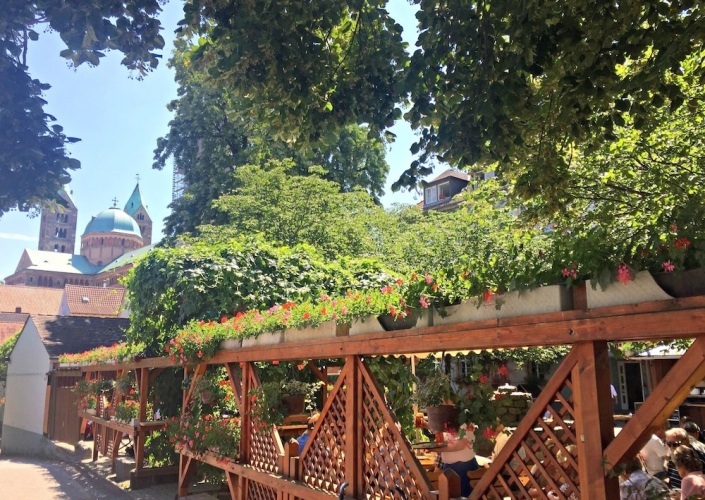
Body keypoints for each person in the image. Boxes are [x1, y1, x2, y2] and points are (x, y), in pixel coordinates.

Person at [433, 422, 479, 497]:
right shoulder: (446, 421)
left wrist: (437, 449)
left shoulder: (464, 420)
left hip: (464, 469)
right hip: (448, 468)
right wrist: (426, 425)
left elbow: (460, 445)